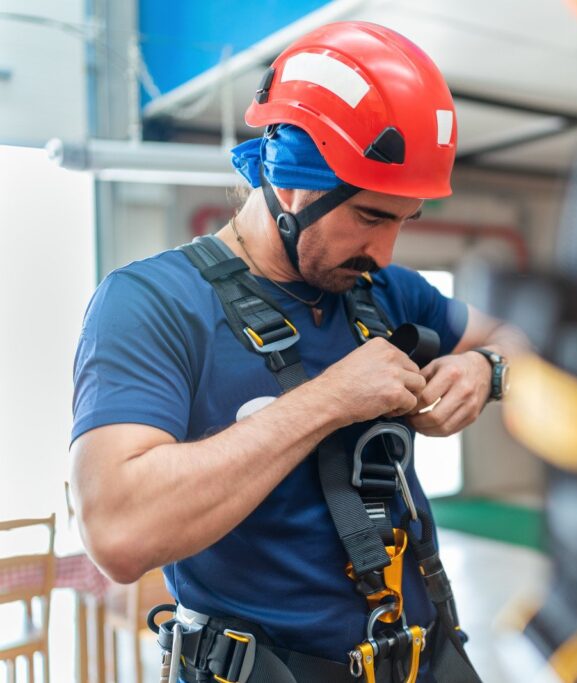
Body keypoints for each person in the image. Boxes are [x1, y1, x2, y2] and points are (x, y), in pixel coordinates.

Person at [69, 21, 524, 682]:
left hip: (428, 657)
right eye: (370, 217)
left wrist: (486, 369)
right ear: (288, 182)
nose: (387, 253)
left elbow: (519, 340)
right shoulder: (152, 303)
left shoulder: (387, 292)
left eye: (404, 220)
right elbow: (117, 532)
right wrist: (331, 397)